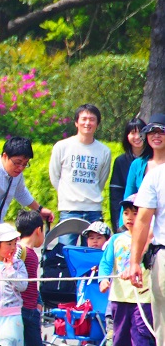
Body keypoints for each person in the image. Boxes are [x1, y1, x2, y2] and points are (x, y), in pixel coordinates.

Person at [100, 195, 154, 346]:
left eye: (135, 213)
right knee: (120, 338)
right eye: (126, 213)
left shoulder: (150, 239)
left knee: (140, 336)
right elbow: (106, 263)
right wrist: (104, 280)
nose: (130, 217)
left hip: (142, 297)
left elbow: (150, 262)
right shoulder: (116, 239)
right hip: (119, 297)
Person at [128, 167, 165, 346]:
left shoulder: (158, 174)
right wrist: (135, 260)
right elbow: (142, 219)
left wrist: (134, 261)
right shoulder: (157, 174)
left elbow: (143, 220)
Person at [49, 103, 112, 245]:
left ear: (97, 124)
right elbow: (54, 176)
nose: (87, 123)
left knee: (91, 256)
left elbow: (101, 180)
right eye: (83, 119)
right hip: (69, 210)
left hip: (93, 211)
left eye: (92, 119)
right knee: (65, 254)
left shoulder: (104, 151)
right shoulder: (62, 146)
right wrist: (67, 195)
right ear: (76, 122)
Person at [0, 137, 54, 233]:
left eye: (25, 164)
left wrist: (40, 210)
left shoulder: (16, 174)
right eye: (17, 163)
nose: (20, 168)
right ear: (5, 156)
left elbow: (21, 193)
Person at [15, 209, 46, 346]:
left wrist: (39, 300)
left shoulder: (32, 253)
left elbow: (34, 282)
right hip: (17, 308)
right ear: (38, 230)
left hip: (31, 309)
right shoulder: (20, 250)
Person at [122, 114, 165, 221]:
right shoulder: (137, 165)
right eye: (152, 131)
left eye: (161, 131)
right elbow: (127, 200)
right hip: (141, 225)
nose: (156, 135)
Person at [110, 118, 147, 224]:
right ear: (127, 136)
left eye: (141, 132)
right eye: (132, 133)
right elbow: (116, 195)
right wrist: (118, 223)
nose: (137, 137)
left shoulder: (153, 159)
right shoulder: (121, 161)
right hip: (128, 216)